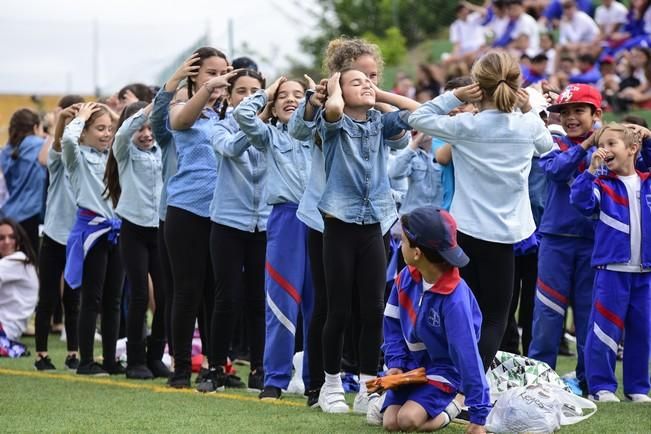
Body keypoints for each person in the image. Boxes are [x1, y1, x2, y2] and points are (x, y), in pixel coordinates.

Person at [409, 50, 554, 371]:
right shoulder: (527, 126)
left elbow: (417, 118)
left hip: (465, 231)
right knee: (495, 317)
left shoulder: (465, 125)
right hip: (506, 234)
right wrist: (529, 106)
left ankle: (452, 379)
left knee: (464, 310)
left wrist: (454, 96)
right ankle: (470, 386)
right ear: (515, 85)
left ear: (479, 86)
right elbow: (549, 148)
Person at [315, 68, 415, 414]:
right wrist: (334, 89)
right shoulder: (333, 121)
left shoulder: (379, 122)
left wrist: (382, 95)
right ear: (338, 91)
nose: (366, 85)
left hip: (375, 224)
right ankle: (330, 387)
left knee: (373, 310)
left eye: (369, 80)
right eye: (355, 82)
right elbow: (332, 112)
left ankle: (367, 388)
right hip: (339, 224)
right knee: (339, 308)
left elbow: (418, 113)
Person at [232, 75, 315, 401]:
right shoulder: (268, 136)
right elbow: (242, 117)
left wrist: (316, 98)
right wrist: (264, 94)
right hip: (284, 220)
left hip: (322, 221)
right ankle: (275, 378)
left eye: (298, 94)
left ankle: (316, 381)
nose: (291, 99)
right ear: (273, 104)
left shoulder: (321, 134)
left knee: (318, 305)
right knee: (281, 302)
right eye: (283, 95)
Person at [381, 207, 490, 434]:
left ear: (417, 253)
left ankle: (455, 404)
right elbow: (391, 325)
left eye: (402, 241)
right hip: (411, 368)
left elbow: (467, 355)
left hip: (445, 370)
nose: (400, 245)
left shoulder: (454, 299)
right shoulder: (404, 279)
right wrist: (396, 365)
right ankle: (417, 401)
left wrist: (479, 417)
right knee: (391, 422)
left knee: (408, 420)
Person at [197, 68, 270, 393]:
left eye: (256, 90)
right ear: (229, 96)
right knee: (226, 298)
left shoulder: (276, 131)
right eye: (241, 91)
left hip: (265, 223)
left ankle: (259, 367)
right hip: (227, 222)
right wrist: (251, 118)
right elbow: (230, 148)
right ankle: (214, 367)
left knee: (258, 299)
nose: (248, 97)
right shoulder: (218, 127)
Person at [165, 47, 232, 388]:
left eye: (224, 72)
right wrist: (207, 89)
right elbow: (181, 121)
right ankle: (179, 368)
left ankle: (214, 366)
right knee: (188, 290)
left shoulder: (229, 113)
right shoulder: (182, 105)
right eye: (210, 72)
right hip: (186, 210)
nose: (219, 78)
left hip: (223, 212)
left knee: (216, 292)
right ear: (194, 75)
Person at [529, 83, 602, 395]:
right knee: (547, 312)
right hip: (556, 239)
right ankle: (539, 379)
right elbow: (557, 171)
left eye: (579, 111)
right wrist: (587, 144)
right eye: (565, 111)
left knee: (588, 314)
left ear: (596, 114)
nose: (571, 117)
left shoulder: (609, 143)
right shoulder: (553, 141)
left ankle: (588, 380)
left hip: (595, 240)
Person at [570, 123, 651, 403]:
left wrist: (648, 138)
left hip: (644, 273)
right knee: (604, 331)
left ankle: (638, 388)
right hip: (611, 271)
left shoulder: (647, 181)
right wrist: (591, 170)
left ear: (632, 149)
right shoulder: (601, 185)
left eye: (612, 143)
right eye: (600, 145)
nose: (603, 150)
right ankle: (601, 387)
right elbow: (580, 202)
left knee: (642, 331)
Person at [105, 101, 168, 379]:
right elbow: (120, 135)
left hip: (160, 230)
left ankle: (156, 356)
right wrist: (143, 113)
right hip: (133, 229)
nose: (146, 133)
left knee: (165, 296)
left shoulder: (163, 150)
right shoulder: (125, 152)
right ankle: (135, 360)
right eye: (140, 128)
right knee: (139, 294)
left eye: (150, 127)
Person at [61, 102, 124, 376]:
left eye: (109, 128)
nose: (106, 133)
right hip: (91, 231)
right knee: (92, 299)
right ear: (84, 132)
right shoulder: (76, 157)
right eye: (99, 128)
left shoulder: (112, 156)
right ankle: (86, 361)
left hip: (116, 229)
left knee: (114, 300)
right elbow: (67, 140)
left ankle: (109, 359)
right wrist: (80, 117)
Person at [34, 99, 83, 371]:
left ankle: (73, 353)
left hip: (77, 236)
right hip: (53, 234)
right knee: (48, 296)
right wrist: (60, 120)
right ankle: (41, 354)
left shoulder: (87, 158)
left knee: (73, 299)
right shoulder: (57, 160)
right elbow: (49, 152)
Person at [0, 108, 47, 255]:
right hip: (31, 215)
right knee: (30, 267)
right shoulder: (41, 146)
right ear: (35, 127)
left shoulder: (5, 151)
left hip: (7, 215)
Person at [0, 218, 38, 342]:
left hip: (5, 330)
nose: (7, 242)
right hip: (11, 332)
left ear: (19, 240)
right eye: (1, 238)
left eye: (12, 237)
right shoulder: (22, 261)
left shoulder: (16, 261)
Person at [388, 131, 444, 215]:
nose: (413, 129)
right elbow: (394, 173)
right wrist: (414, 144)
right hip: (411, 216)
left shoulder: (442, 152)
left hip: (438, 217)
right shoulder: (409, 152)